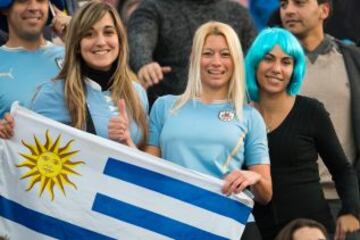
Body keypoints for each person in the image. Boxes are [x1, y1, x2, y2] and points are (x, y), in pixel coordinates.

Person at [146, 21, 272, 239]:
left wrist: (253, 177)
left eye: (225, 54)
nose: (216, 62)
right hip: (174, 221)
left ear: (235, 61)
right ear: (194, 59)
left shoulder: (250, 116)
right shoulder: (164, 106)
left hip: (230, 223)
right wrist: (126, 142)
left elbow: (266, 194)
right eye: (208, 53)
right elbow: (147, 171)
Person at [246, 27, 360, 240]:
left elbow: (342, 169)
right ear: (254, 63)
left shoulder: (311, 111)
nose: (277, 69)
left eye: (286, 62)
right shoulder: (240, 115)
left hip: (310, 229)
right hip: (258, 231)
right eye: (268, 59)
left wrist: (351, 210)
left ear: (295, 69)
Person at [1, 1, 149, 149]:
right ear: (77, 44)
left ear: (120, 39)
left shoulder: (137, 93)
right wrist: (11, 132)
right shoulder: (51, 94)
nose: (101, 42)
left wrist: (128, 145)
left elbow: (148, 161)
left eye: (109, 32)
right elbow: (34, 158)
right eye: (88, 34)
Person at [279, 0, 360, 239]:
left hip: (346, 204)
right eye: (283, 5)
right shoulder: (269, 66)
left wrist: (353, 206)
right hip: (290, 201)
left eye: (299, 3)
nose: (289, 10)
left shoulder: (353, 60)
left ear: (324, 11)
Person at [127, 0, 257, 106]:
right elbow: (139, 35)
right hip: (170, 112)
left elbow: (254, 59)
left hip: (227, 112)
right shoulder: (154, 7)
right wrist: (144, 63)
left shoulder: (239, 13)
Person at [0, 0, 64, 137]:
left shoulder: (71, 57)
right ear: (4, 8)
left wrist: (77, 35)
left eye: (41, 0)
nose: (34, 7)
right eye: (23, 1)